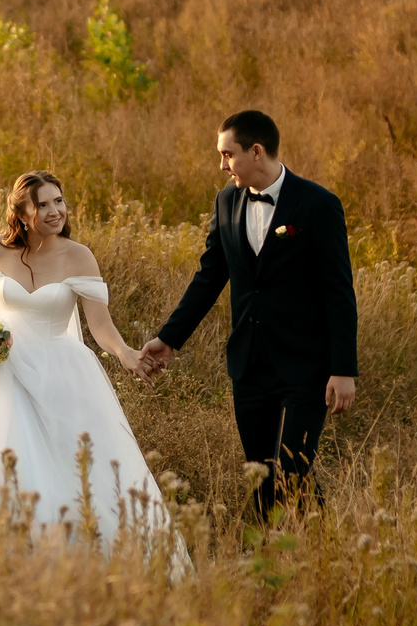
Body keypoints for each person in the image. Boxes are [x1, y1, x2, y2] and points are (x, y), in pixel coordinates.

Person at [0, 171, 185, 559]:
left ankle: (61, 551)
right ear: (22, 212)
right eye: (42, 204)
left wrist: (126, 354)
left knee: (64, 464)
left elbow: (100, 323)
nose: (54, 210)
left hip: (59, 371)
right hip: (2, 370)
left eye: (58, 201)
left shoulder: (78, 256)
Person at [138, 110, 358, 518]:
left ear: (256, 151)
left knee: (293, 471)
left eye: (228, 155)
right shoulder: (225, 202)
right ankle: (288, 557)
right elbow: (210, 277)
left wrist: (343, 369)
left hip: (305, 365)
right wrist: (169, 338)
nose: (222, 166)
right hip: (249, 363)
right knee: (260, 473)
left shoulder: (318, 205)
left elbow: (338, 292)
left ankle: (306, 555)